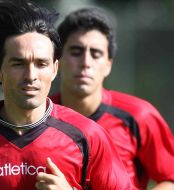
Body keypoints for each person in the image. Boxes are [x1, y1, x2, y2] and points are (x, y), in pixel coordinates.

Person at [0, 0, 132, 190]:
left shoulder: (88, 136)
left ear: (54, 69)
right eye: (18, 63)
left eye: (41, 64)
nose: (31, 76)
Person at [51, 6, 174, 190]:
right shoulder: (40, 117)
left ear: (108, 65)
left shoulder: (139, 116)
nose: (86, 62)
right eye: (76, 51)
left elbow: (170, 178)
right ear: (57, 61)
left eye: (96, 53)